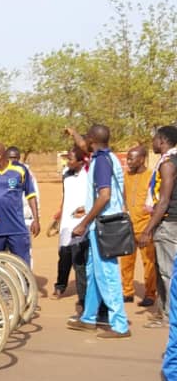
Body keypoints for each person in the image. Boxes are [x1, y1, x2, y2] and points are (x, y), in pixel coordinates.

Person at [65, 124, 130, 339]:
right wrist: (73, 133)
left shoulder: (101, 161)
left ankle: (120, 325)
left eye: (86, 137)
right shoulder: (105, 156)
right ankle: (89, 318)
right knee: (93, 273)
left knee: (107, 274)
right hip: (101, 223)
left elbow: (105, 195)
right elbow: (83, 145)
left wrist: (84, 222)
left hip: (104, 225)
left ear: (92, 139)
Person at [139, 125, 177, 329]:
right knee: (165, 270)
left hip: (168, 223)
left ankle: (169, 317)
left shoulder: (168, 164)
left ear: (162, 140)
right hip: (170, 221)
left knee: (167, 272)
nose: (152, 143)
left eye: (154, 139)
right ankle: (164, 312)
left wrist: (147, 230)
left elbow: (163, 201)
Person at [119, 145, 157, 306]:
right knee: (126, 262)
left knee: (149, 263)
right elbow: (123, 197)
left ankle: (150, 294)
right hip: (128, 227)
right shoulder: (126, 176)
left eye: (131, 158)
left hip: (145, 227)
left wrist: (150, 229)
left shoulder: (151, 176)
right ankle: (127, 292)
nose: (128, 162)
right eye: (128, 158)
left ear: (141, 159)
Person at [53, 149, 89, 314]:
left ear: (81, 161)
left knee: (79, 260)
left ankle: (83, 297)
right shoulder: (66, 173)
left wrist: (86, 210)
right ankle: (60, 286)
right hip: (67, 223)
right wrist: (60, 212)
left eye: (71, 159)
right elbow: (65, 195)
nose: (68, 162)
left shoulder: (88, 174)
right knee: (64, 255)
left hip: (83, 222)